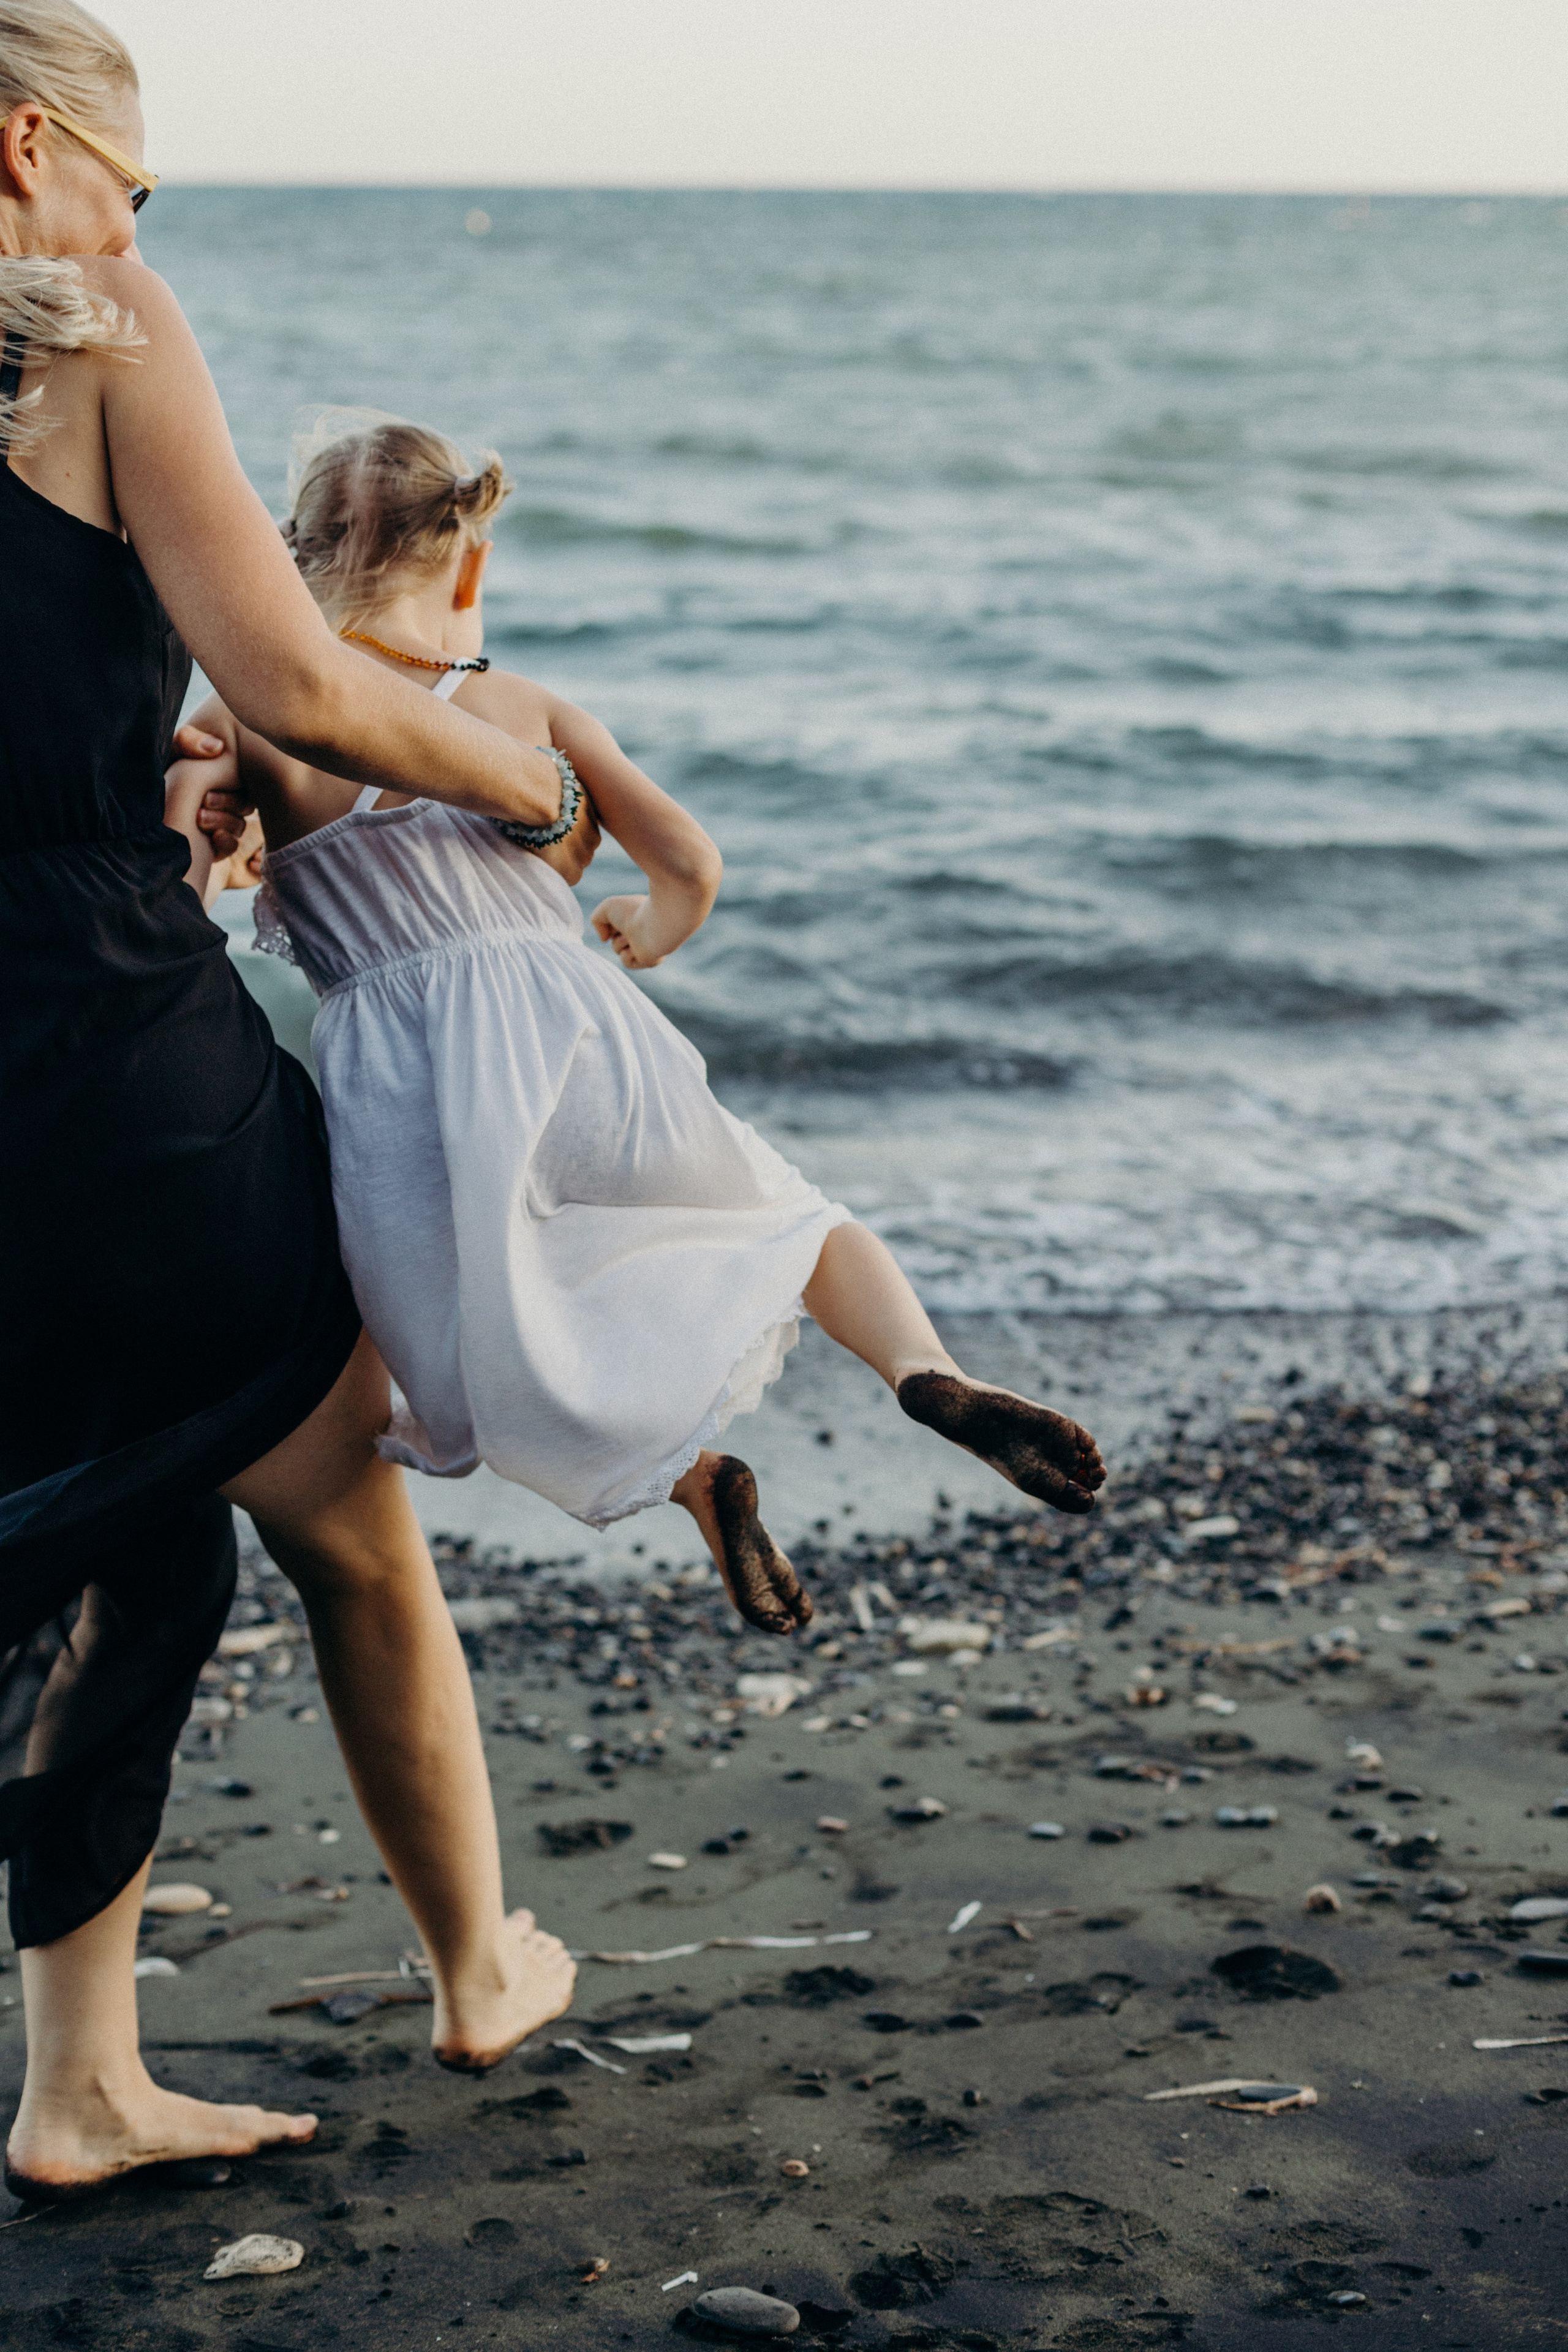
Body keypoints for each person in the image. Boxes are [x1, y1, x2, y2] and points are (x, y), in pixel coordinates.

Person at [0, 0, 576, 2203]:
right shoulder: (102, 326)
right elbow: (301, 674)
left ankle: (80, 2084)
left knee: (124, 1538)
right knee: (333, 1506)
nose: (140, 229)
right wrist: (524, 783)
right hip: (103, 1052)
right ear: (38, 147)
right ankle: (480, 1966)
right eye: (135, 188)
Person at [166, 411, 1108, 1637]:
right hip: (575, 1035)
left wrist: (212, 814)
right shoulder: (522, 707)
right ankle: (922, 1371)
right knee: (785, 1219)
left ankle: (688, 1484)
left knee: (499, 1340)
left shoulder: (254, 720)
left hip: (398, 1095)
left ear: (290, 560)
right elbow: (688, 860)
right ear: (469, 562)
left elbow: (188, 888)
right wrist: (650, 929)